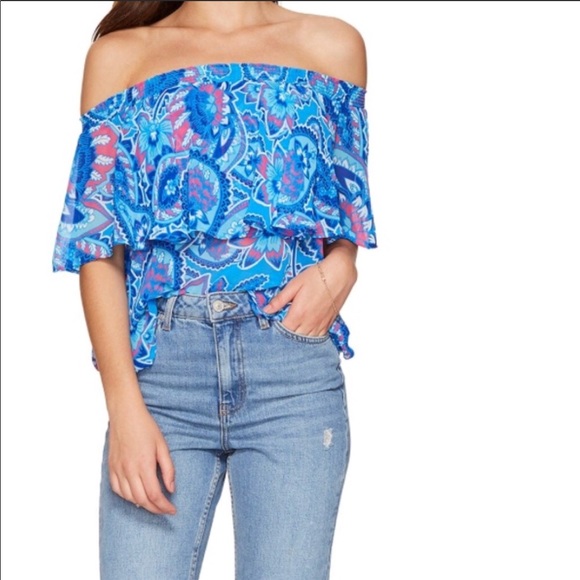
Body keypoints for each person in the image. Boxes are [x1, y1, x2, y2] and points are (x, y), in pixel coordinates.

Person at [52, 1, 377, 578]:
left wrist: (343, 266)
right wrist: (123, 407)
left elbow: (345, 203)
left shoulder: (332, 46)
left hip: (292, 376)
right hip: (161, 381)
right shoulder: (119, 56)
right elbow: (99, 245)